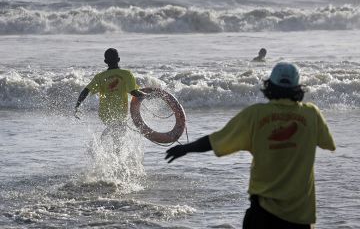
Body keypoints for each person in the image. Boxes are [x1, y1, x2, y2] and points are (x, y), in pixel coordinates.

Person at [165, 62, 335, 229]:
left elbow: (217, 140)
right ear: (298, 87)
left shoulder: (255, 115)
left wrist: (186, 148)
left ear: (270, 85)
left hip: (263, 213)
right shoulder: (311, 114)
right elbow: (328, 143)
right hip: (300, 216)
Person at [75, 48, 146, 129]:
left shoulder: (100, 77)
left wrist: (77, 106)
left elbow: (85, 91)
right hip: (120, 112)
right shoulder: (126, 74)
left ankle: (102, 140)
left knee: (114, 129)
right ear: (118, 59)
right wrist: (147, 95)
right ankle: (105, 140)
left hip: (105, 114)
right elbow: (134, 92)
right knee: (119, 131)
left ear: (105, 61)